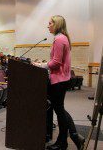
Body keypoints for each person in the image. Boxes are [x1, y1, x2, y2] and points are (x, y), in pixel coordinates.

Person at [35, 16, 84, 150]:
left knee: (60, 110)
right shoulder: (62, 38)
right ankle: (70, 137)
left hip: (58, 80)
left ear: (56, 24)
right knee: (59, 109)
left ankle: (64, 141)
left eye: (50, 23)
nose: (48, 26)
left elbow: (56, 63)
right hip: (61, 79)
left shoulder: (59, 39)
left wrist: (40, 65)